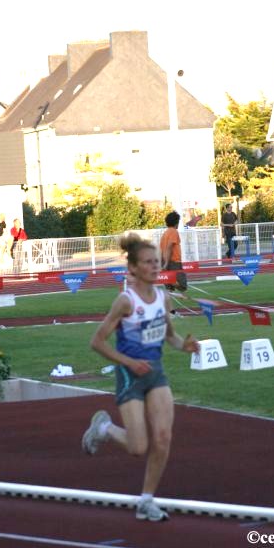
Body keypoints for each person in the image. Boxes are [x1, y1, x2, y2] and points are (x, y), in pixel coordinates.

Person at [81, 233, 199, 522]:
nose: (155, 266)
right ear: (133, 268)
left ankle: (146, 500)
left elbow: (169, 336)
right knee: (138, 447)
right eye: (148, 262)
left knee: (163, 437)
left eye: (157, 261)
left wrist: (184, 346)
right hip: (129, 374)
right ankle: (104, 428)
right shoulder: (125, 301)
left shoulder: (163, 297)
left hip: (155, 373)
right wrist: (130, 363)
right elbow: (97, 342)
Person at [159, 211, 187, 295]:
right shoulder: (174, 232)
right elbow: (169, 247)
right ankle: (170, 280)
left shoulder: (165, 233)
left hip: (164, 261)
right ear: (176, 222)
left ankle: (169, 281)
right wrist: (166, 263)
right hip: (174, 262)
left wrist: (162, 263)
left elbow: (161, 249)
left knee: (170, 289)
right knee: (182, 286)